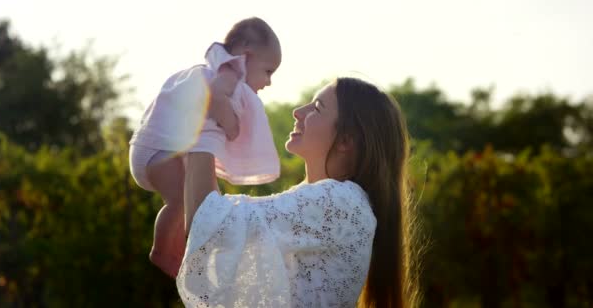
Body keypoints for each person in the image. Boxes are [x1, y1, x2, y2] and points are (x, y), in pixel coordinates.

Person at [178, 77, 419, 307]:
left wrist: (208, 120)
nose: (297, 111)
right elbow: (211, 224)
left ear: (345, 140)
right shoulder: (322, 201)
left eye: (316, 107)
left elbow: (207, 221)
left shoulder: (341, 202)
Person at [128, 17, 282, 278]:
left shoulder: (218, 68)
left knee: (196, 200)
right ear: (246, 55)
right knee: (179, 202)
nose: (268, 82)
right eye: (268, 71)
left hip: (160, 150)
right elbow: (215, 100)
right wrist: (232, 126)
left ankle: (180, 249)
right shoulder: (229, 72)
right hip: (157, 152)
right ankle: (161, 251)